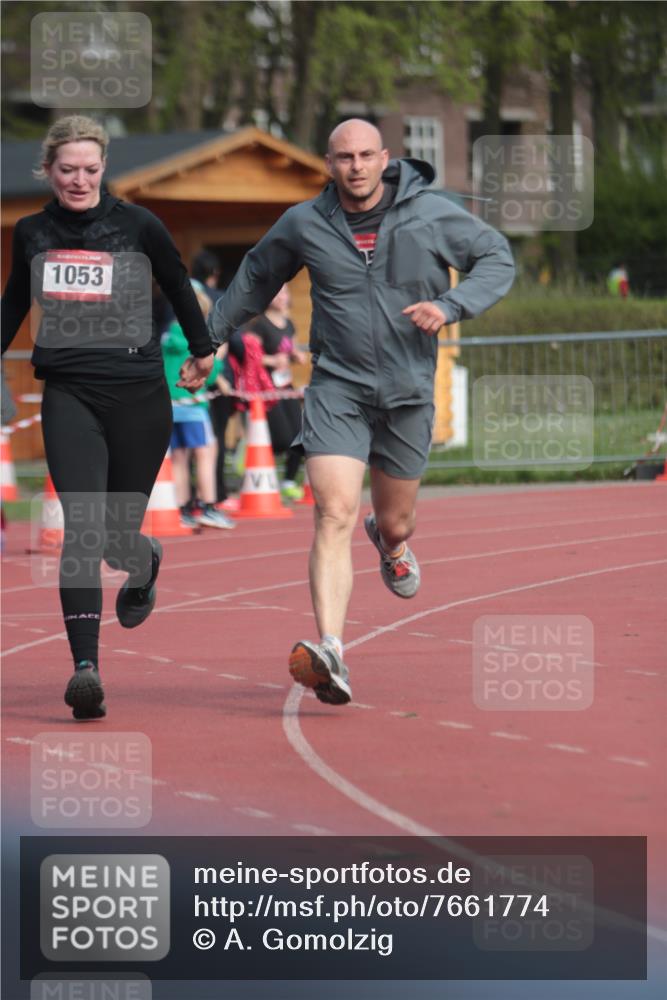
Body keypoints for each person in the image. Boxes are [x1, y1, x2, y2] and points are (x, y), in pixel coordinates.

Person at [180, 118, 514, 707]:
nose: (356, 166)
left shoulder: (431, 213)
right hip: (338, 386)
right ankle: (331, 649)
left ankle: (390, 544)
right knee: (332, 512)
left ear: (384, 158)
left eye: (366, 155)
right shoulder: (305, 223)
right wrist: (208, 344)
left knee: (396, 522)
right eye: (343, 157)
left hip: (409, 391)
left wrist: (450, 303)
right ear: (328, 164)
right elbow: (255, 279)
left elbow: (496, 257)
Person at [1, 115, 214, 720]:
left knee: (117, 537)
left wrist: (203, 352)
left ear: (103, 169)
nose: (78, 179)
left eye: (90, 169)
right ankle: (85, 670)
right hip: (70, 392)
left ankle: (142, 559)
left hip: (139, 395)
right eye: (67, 169)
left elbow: (177, 284)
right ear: (48, 170)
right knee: (82, 532)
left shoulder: (138, 225)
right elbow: (15, 300)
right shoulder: (32, 232)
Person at [161, 282, 235, 529]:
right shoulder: (199, 337)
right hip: (192, 403)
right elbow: (206, 373)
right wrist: (220, 365)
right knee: (206, 452)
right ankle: (208, 506)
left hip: (170, 403)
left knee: (179, 457)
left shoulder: (169, 333)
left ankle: (183, 509)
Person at [244, 284, 308, 500]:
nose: (282, 297)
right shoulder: (259, 325)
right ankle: (251, 459)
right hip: (266, 389)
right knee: (281, 439)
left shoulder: (289, 323)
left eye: (286, 292)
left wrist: (297, 356)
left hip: (285, 385)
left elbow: (292, 348)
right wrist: (272, 360)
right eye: (278, 292)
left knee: (301, 436)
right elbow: (252, 357)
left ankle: (288, 481)